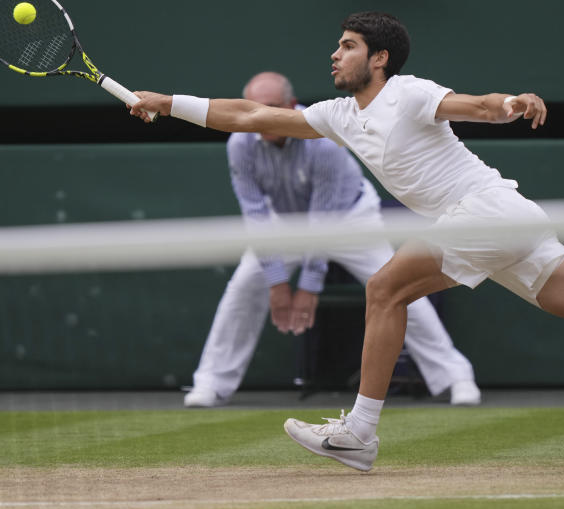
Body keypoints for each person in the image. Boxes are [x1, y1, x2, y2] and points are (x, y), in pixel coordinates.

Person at [130, 12, 564, 472]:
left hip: (481, 210)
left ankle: (360, 433)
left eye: (345, 46)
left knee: (384, 286)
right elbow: (249, 114)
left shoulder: (409, 92)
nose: (333, 54)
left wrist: (508, 103)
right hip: (497, 219)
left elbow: (476, 106)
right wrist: (166, 102)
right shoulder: (337, 115)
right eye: (336, 46)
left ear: (379, 57)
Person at [183, 71, 481, 408]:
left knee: (396, 285)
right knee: (243, 287)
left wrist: (308, 287)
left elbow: (323, 223)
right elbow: (256, 216)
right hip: (284, 224)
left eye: (271, 106)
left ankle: (456, 376)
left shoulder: (322, 142)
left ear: (290, 106)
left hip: (351, 220)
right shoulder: (240, 143)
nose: (261, 114)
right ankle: (210, 382)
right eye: (254, 106)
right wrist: (277, 283)